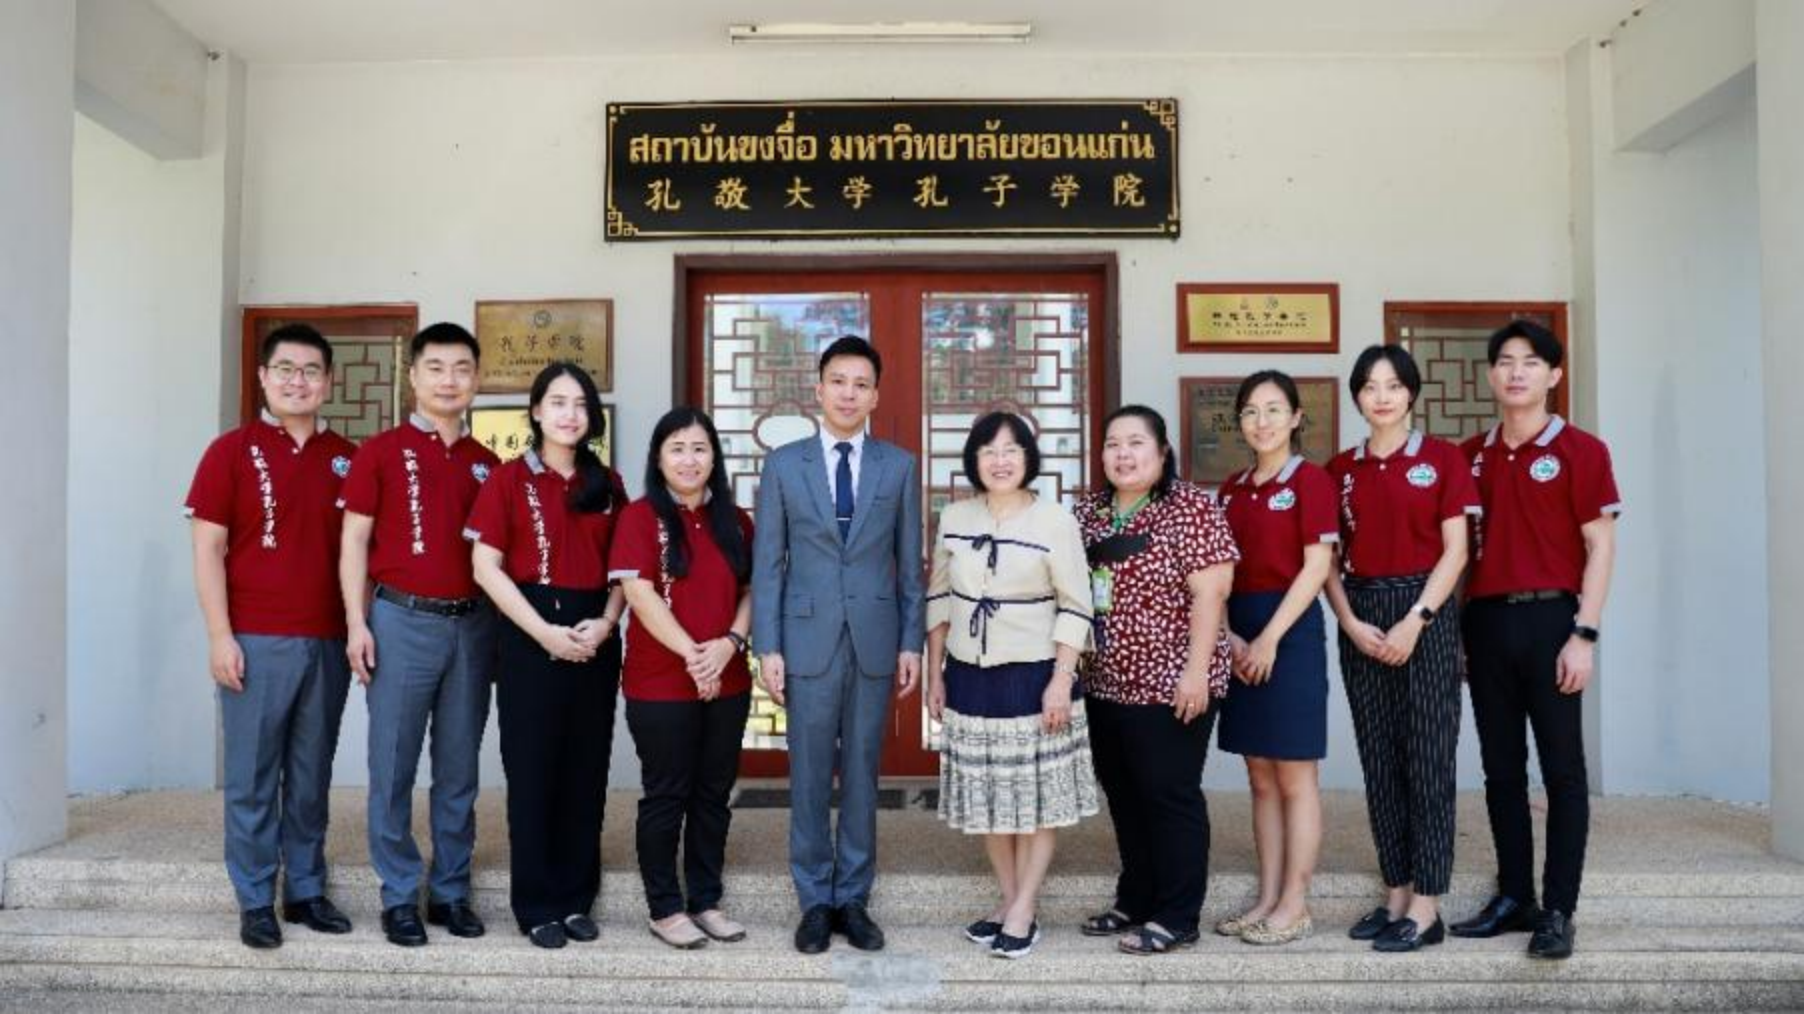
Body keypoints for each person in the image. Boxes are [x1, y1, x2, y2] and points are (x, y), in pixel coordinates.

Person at [185, 324, 359, 950]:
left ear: (328, 382)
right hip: (254, 641)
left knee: (310, 776)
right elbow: (207, 550)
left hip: (327, 641)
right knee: (254, 777)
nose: (297, 381)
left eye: (311, 370)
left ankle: (305, 890)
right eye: (285, 368)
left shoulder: (348, 458)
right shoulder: (230, 451)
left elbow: (361, 554)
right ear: (263, 377)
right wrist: (219, 635)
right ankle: (256, 897)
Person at [1450, 321, 1620, 961]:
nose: (1515, 372)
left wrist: (1585, 634)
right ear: (1490, 375)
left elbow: (1601, 546)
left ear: (1554, 375)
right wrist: (1458, 631)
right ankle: (1514, 895)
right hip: (1485, 623)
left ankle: (1558, 910)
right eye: (1504, 361)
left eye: (1530, 361)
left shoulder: (1581, 450)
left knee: (1562, 771)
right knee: (1500, 770)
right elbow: (1459, 555)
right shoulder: (1470, 455)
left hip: (1553, 622)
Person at [751, 334, 926, 955]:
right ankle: (813, 901)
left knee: (861, 773)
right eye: (839, 382)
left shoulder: (898, 466)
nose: (849, 394)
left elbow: (910, 564)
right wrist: (767, 646)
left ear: (875, 396)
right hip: (805, 639)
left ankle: (852, 897)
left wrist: (912, 642)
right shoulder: (784, 465)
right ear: (818, 389)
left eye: (861, 384)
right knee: (807, 774)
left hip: (876, 639)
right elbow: (768, 564)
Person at [338, 322, 499, 947]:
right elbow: (354, 541)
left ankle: (451, 891)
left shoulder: (488, 464)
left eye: (462, 368)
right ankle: (400, 893)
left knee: (459, 768)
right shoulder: (380, 451)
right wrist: (357, 622)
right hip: (400, 621)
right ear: (413, 376)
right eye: (436, 367)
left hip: (473, 625)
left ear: (477, 379)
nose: (449, 380)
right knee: (394, 763)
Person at [924, 411, 1098, 960]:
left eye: (1011, 450)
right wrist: (934, 675)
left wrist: (1061, 680)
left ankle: (1024, 907)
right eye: (988, 451)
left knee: (1036, 798)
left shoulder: (1055, 520)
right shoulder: (955, 516)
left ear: (1028, 458)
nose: (1000, 461)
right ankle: (1008, 898)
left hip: (1036, 674)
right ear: (974, 460)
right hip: (968, 675)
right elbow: (938, 599)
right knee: (987, 797)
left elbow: (1077, 604)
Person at [1323, 345, 1479, 952]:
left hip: (1425, 612)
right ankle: (1395, 891)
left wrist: (1418, 619)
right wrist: (1349, 621)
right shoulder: (1340, 469)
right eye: (1369, 386)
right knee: (1379, 759)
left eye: (1393, 385)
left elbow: (1457, 550)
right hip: (1361, 613)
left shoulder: (1442, 458)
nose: (1381, 396)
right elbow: (1327, 560)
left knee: (1429, 759)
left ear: (1411, 392)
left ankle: (1427, 904)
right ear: (1357, 397)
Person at [467, 362, 625, 950]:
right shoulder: (506, 480)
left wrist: (606, 622)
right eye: (558, 402)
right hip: (529, 632)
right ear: (535, 411)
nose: (569, 415)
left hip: (594, 633)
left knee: (586, 770)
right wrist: (544, 634)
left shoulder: (607, 483)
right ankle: (535, 905)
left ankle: (576, 898)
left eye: (581, 404)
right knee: (533, 770)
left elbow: (625, 570)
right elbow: (485, 568)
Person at [1075, 405, 1238, 956]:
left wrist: (1195, 672)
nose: (1123, 454)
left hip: (1172, 681)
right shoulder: (1089, 512)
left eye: (1136, 442)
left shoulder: (1190, 506)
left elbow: (1212, 592)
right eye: (1112, 443)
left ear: (1162, 451)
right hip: (1105, 681)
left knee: (1169, 793)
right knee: (1124, 793)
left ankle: (1178, 914)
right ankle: (1136, 897)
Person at [611, 408, 755, 950]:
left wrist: (729, 645)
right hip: (659, 683)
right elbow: (639, 593)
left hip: (728, 677)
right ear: (658, 458)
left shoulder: (736, 521)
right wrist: (695, 656)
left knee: (714, 794)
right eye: (677, 448)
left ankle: (706, 900)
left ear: (713, 457)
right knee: (667, 793)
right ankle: (665, 907)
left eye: (699, 448)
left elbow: (752, 590)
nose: (689, 459)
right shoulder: (639, 517)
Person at [1214, 370, 1336, 947]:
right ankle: (1266, 898)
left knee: (1294, 775)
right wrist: (1231, 636)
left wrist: (1267, 640)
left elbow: (1316, 568)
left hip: (1290, 631)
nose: (1261, 422)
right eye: (1250, 412)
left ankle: (1295, 902)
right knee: (1259, 776)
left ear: (1295, 418)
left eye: (1273, 410)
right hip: (1240, 631)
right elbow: (1216, 572)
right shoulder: (1232, 489)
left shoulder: (1311, 481)